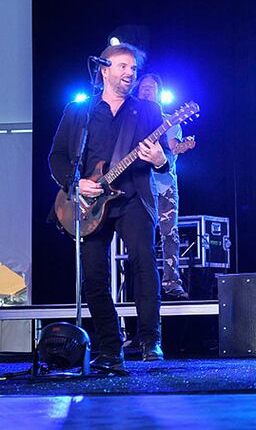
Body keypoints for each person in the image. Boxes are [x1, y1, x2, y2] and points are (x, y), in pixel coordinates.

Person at [49, 43, 171, 370]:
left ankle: (149, 340)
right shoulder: (79, 112)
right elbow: (57, 157)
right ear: (104, 69)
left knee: (144, 264)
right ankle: (109, 346)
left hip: (133, 197)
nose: (130, 73)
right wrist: (74, 184)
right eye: (123, 67)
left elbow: (164, 160)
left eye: (133, 68)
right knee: (94, 276)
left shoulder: (147, 111)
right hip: (89, 203)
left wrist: (160, 159)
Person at [135, 73, 189, 300]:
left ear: (159, 94)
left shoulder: (170, 121)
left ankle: (171, 282)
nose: (146, 90)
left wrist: (178, 149)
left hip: (165, 186)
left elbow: (173, 150)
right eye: (143, 87)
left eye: (151, 88)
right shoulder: (131, 120)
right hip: (138, 185)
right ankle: (143, 284)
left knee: (170, 234)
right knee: (140, 237)